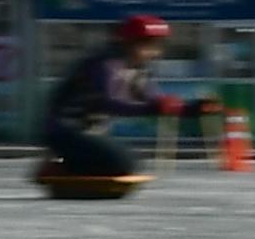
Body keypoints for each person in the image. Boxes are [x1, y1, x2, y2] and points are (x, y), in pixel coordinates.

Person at [41, 12, 200, 180]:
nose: (154, 52)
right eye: (148, 45)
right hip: (65, 130)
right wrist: (152, 108)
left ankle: (71, 165)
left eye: (157, 46)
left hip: (91, 132)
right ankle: (60, 166)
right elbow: (108, 103)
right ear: (129, 43)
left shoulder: (139, 69)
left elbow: (155, 101)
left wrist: (193, 109)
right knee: (123, 163)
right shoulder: (105, 64)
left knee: (128, 164)